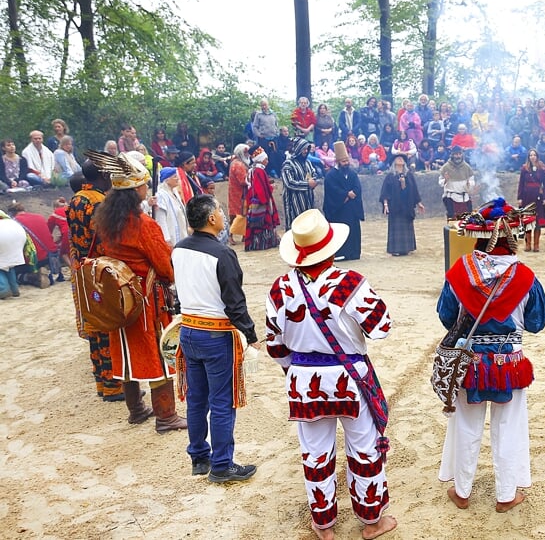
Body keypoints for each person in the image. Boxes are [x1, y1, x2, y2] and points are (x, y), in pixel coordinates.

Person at [265, 209, 397, 540]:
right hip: (349, 378)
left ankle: (324, 526)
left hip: (303, 381)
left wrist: (293, 370)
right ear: (332, 249)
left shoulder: (280, 289)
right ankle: (372, 521)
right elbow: (382, 327)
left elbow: (274, 345)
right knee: (364, 449)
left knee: (315, 453)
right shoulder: (350, 284)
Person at [437, 201, 545, 513]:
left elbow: (446, 317)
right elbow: (538, 323)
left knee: (465, 427)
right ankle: (506, 495)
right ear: (512, 237)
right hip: (509, 366)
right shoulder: (524, 276)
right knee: (509, 429)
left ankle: (462, 491)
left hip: (469, 364)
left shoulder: (460, 272)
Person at [87, 150, 186, 432]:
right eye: (143, 184)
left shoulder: (105, 221)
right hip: (147, 301)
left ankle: (136, 409)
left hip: (118, 299)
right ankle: (166, 416)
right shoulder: (143, 225)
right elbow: (165, 268)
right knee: (158, 351)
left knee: (126, 350)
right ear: (134, 191)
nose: (146, 188)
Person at [172, 194, 259, 482]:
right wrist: (251, 333)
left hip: (189, 331)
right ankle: (222, 464)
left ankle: (199, 457)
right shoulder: (222, 254)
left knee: (197, 399)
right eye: (220, 210)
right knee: (222, 401)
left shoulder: (178, 250)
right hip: (216, 333)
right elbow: (235, 302)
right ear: (211, 218)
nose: (223, 215)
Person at [67, 160, 123, 401]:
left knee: (96, 327)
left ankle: (102, 382)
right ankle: (113, 386)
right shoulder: (100, 202)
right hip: (101, 271)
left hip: (83, 270)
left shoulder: (77, 198)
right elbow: (106, 242)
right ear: (103, 174)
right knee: (109, 325)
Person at [323, 143, 364, 261]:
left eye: (347, 161)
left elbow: (357, 187)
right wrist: (346, 194)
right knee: (341, 231)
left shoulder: (352, 173)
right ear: (338, 161)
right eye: (343, 161)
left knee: (353, 230)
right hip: (339, 210)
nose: (346, 163)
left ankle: (354, 253)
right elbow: (333, 190)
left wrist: (352, 194)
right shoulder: (330, 175)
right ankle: (341, 253)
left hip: (351, 208)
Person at [379, 154, 424, 256]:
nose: (400, 160)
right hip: (395, 206)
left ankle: (407, 248)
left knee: (407, 227)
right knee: (396, 227)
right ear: (394, 162)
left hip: (407, 206)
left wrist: (419, 203)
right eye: (398, 158)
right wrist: (385, 204)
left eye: (402, 159)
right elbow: (385, 192)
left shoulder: (409, 175)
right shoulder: (390, 177)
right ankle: (395, 249)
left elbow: (414, 191)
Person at [243, 147, 280, 251]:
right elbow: (260, 188)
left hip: (254, 199)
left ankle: (258, 243)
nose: (267, 161)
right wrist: (266, 198)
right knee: (263, 223)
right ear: (260, 159)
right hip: (261, 201)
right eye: (266, 159)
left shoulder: (254, 169)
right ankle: (262, 243)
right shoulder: (259, 171)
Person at [516, 148, 545, 252]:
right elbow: (521, 184)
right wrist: (519, 197)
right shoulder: (524, 168)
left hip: (538, 197)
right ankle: (528, 244)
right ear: (528, 157)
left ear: (537, 156)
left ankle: (536, 244)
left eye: (534, 155)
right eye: (530, 155)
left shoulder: (542, 169)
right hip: (526, 197)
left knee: (537, 222)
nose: (532, 157)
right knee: (527, 221)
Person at [282, 139, 317, 230]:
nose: (306, 151)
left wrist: (314, 180)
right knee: (295, 226)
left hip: (308, 200)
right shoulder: (288, 164)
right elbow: (289, 183)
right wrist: (307, 184)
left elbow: (314, 174)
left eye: (307, 149)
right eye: (303, 149)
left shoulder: (308, 162)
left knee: (308, 227)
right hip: (294, 201)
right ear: (298, 149)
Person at [153, 167, 188, 247]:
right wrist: (167, 240)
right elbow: (160, 219)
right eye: (175, 176)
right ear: (167, 180)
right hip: (171, 239)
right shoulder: (161, 196)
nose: (177, 178)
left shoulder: (174, 193)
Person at [438, 146, 475, 218]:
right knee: (453, 219)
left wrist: (469, 184)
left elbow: (472, 180)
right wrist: (445, 180)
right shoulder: (446, 167)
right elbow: (440, 182)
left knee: (468, 219)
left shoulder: (467, 167)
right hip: (451, 197)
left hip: (465, 198)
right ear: (452, 155)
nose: (458, 156)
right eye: (456, 154)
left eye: (459, 154)